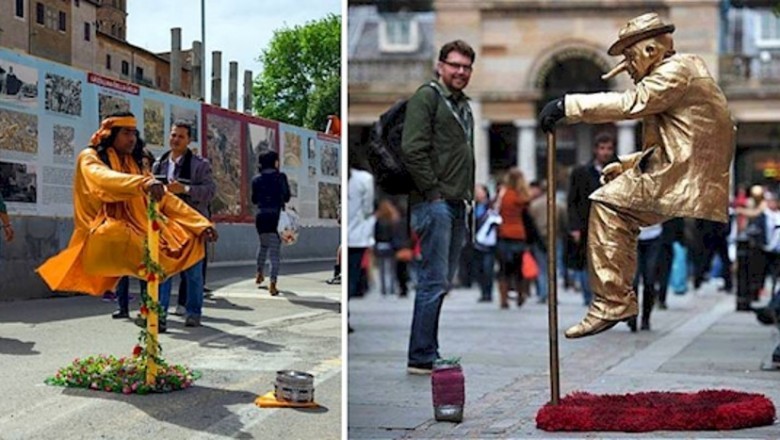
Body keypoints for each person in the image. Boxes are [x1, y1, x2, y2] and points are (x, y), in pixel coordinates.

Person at [539, 12, 735, 338]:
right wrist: (630, 164)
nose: (628, 69)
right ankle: (619, 297)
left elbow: (632, 103)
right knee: (616, 206)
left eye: (629, 58)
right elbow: (675, 139)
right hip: (680, 169)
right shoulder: (681, 72)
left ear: (649, 50)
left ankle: (613, 301)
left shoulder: (675, 71)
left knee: (606, 203)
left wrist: (567, 106)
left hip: (685, 176)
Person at [37, 113, 217, 315]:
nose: (131, 138)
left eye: (134, 133)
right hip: (103, 228)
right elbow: (104, 180)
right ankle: (146, 311)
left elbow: (165, 198)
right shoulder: (90, 157)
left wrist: (200, 224)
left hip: (142, 225)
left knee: (189, 242)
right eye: (125, 133)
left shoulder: (135, 162)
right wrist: (143, 183)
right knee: (136, 244)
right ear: (110, 134)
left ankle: (163, 314)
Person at [401, 40, 475, 374]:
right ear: (440, 65)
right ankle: (420, 356)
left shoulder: (463, 105)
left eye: (466, 67)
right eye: (455, 65)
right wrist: (433, 192)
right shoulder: (427, 98)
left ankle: (429, 350)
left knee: (442, 281)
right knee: (432, 280)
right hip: (436, 203)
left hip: (457, 202)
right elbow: (412, 149)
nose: (460, 72)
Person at [151, 121, 216, 328]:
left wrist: (185, 189)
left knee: (194, 273)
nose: (175, 139)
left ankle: (193, 312)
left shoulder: (199, 165)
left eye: (180, 136)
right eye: (173, 135)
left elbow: (210, 192)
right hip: (166, 227)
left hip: (191, 226)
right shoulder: (159, 164)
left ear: (189, 140)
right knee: (163, 271)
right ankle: (160, 315)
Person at [566, 133, 617, 307]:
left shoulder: (620, 171)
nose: (605, 152)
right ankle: (591, 299)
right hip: (588, 224)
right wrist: (574, 227)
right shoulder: (581, 172)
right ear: (595, 150)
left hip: (612, 226)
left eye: (609, 148)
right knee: (589, 263)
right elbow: (572, 200)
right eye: (602, 148)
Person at [112, 142, 155, 319]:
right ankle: (123, 307)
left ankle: (146, 309)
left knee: (144, 272)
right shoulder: (130, 179)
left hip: (144, 229)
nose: (143, 165)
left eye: (146, 163)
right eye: (141, 162)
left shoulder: (152, 182)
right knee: (122, 270)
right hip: (125, 228)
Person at [251, 149, 291, 296]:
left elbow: (254, 200)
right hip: (276, 217)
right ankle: (272, 283)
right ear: (275, 162)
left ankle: (259, 273)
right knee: (275, 252)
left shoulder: (256, 179)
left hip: (261, 216)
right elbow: (286, 197)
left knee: (263, 246)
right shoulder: (280, 177)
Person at [347, 149, 376, 333]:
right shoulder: (365, 179)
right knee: (352, 277)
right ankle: (346, 317)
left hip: (346, 236)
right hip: (357, 235)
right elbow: (367, 208)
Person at [496, 169, 532, 309]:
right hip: (519, 234)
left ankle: (503, 299)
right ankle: (521, 293)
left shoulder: (504, 194)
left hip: (503, 232)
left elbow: (497, 208)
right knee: (518, 268)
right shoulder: (522, 196)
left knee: (503, 269)